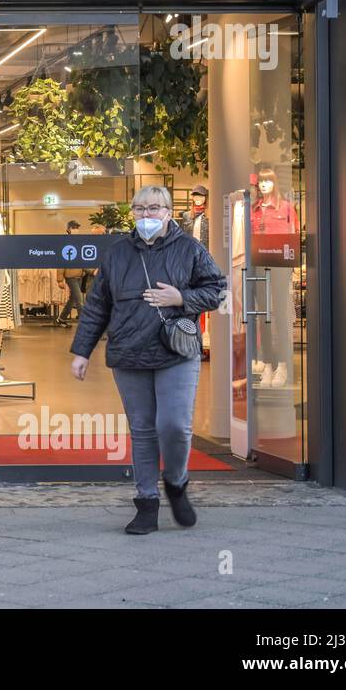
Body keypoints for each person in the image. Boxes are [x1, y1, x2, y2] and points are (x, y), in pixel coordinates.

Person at [69, 185, 226, 535]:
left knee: (174, 425)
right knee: (142, 431)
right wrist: (82, 351)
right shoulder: (118, 253)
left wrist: (180, 297)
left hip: (176, 351)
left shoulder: (190, 249)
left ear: (169, 212)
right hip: (129, 351)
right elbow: (97, 305)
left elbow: (217, 289)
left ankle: (176, 481)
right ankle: (147, 502)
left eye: (154, 208)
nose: (146, 215)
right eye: (139, 209)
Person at [55, 220, 86, 327]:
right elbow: (60, 261)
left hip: (80, 275)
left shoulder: (79, 242)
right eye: (74, 228)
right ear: (69, 229)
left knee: (73, 299)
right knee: (80, 301)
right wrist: (59, 280)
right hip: (70, 276)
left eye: (77, 228)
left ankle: (61, 319)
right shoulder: (64, 242)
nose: (76, 230)